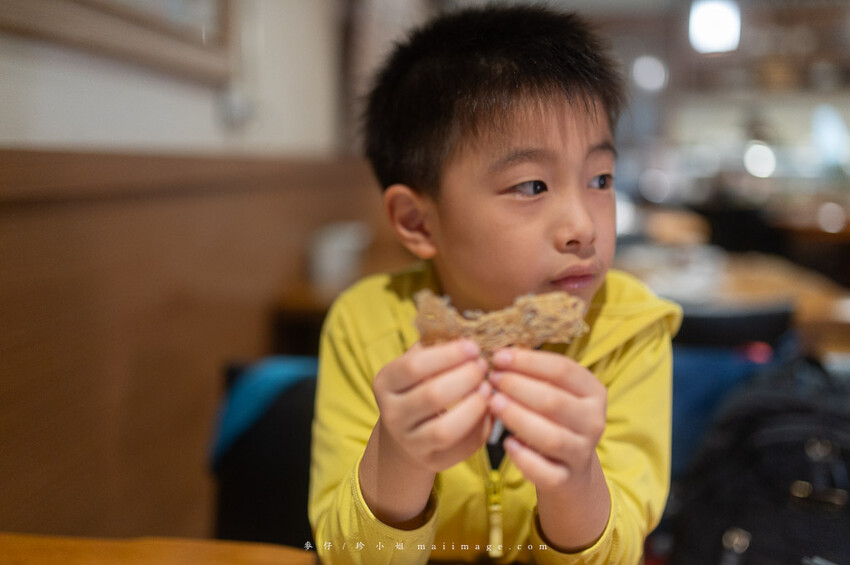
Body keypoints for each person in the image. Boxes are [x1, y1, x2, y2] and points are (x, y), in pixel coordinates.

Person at [308, 5, 681, 564]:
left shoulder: (630, 329)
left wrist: (575, 479)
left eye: (599, 179)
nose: (583, 226)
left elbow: (622, 549)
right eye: (532, 185)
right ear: (418, 221)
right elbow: (338, 554)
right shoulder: (367, 323)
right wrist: (400, 456)